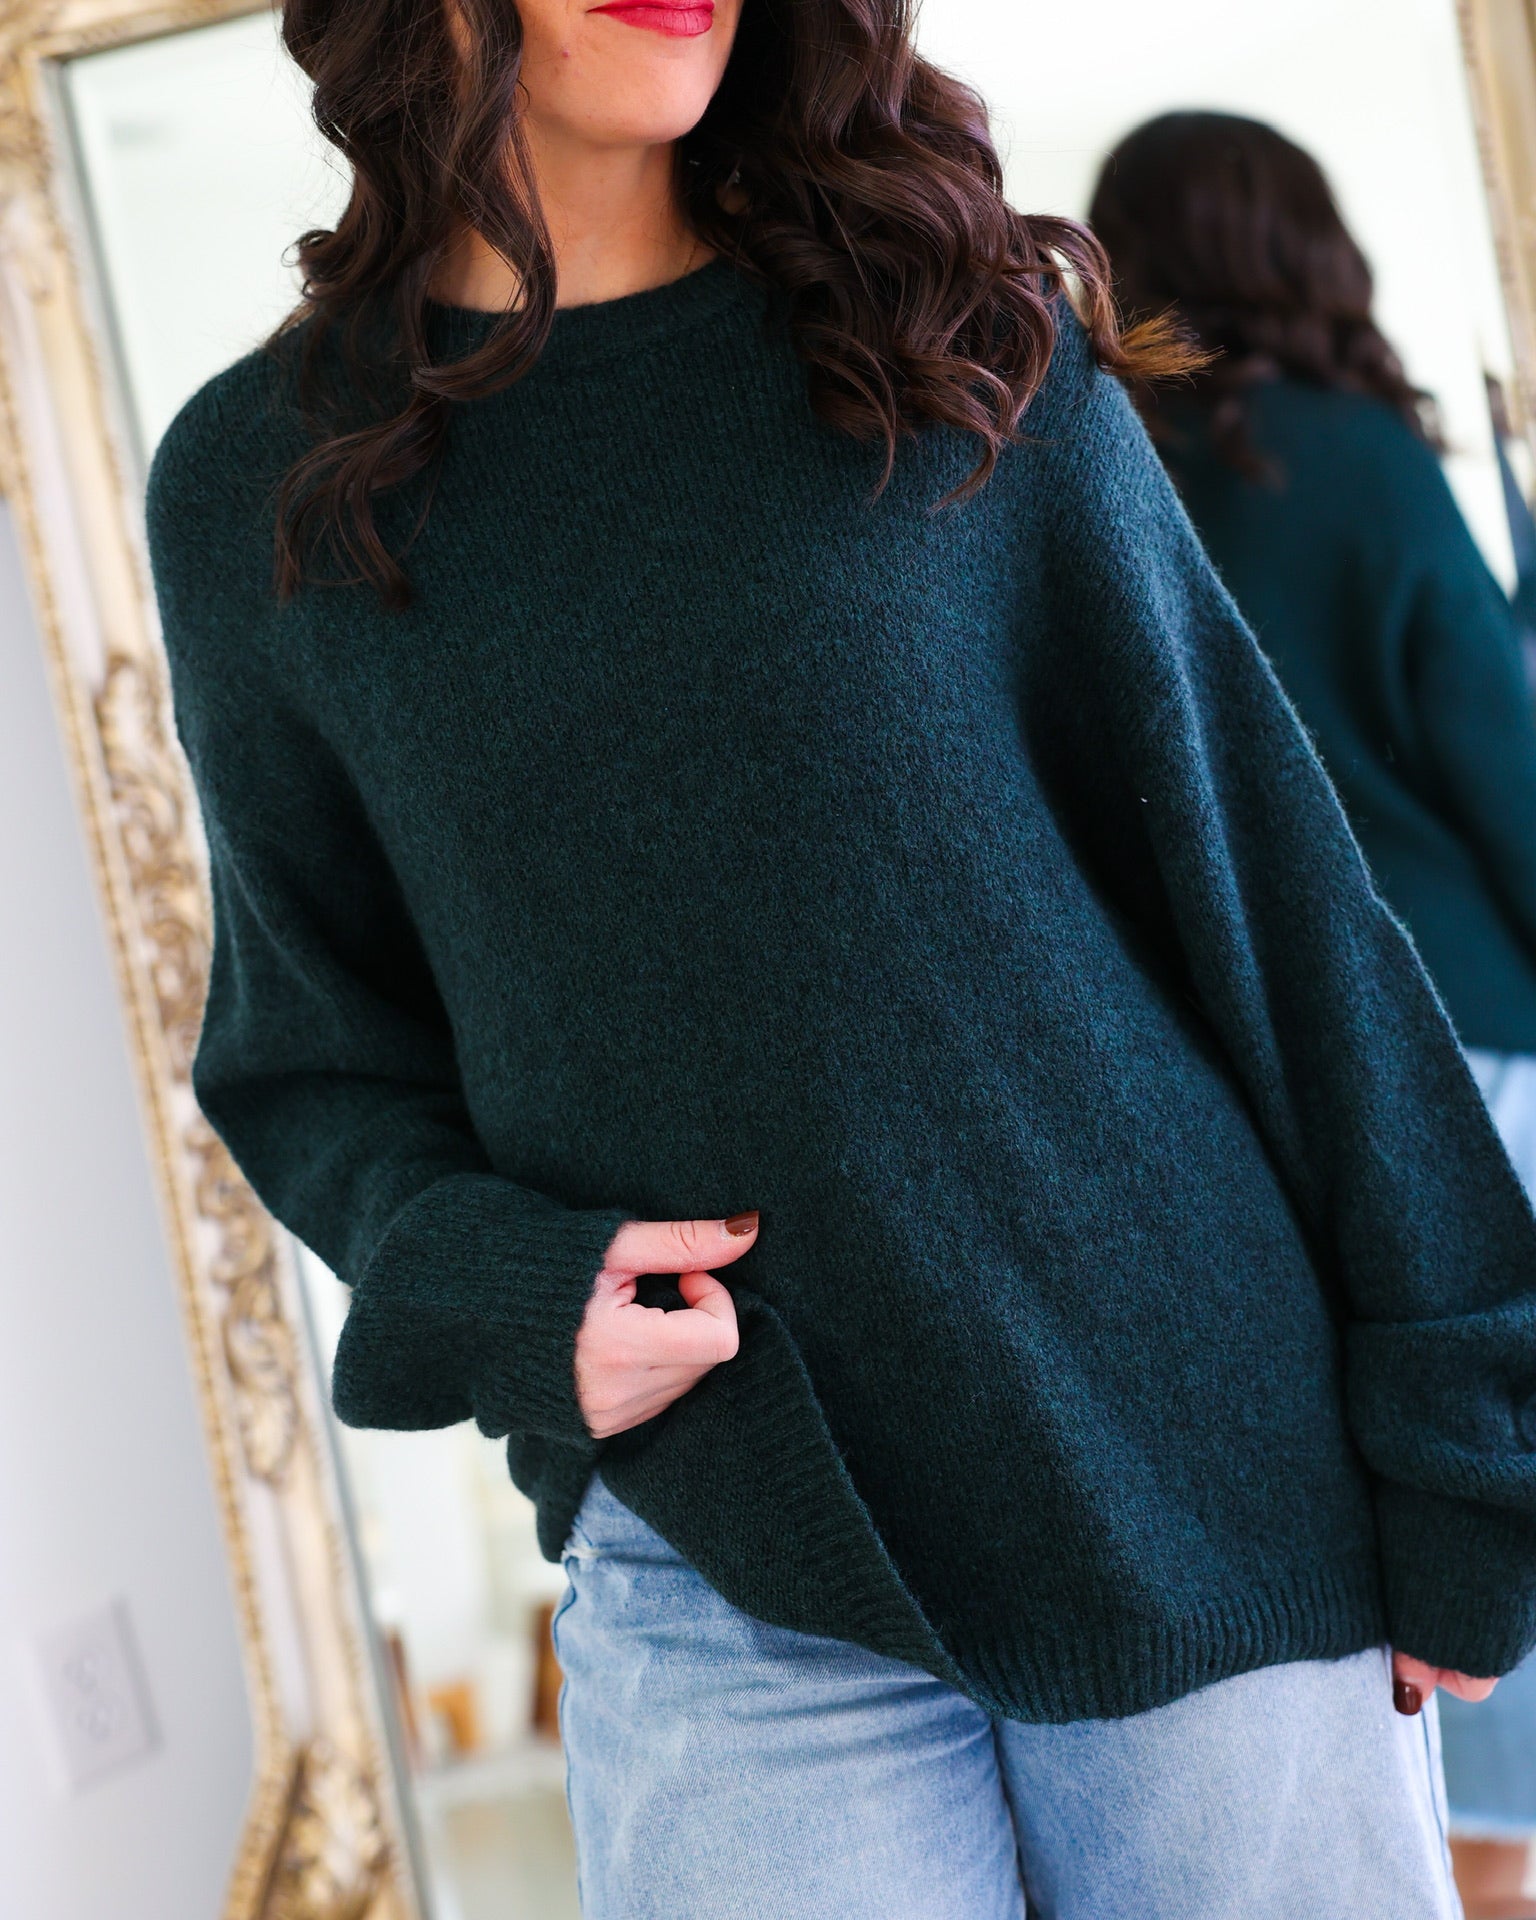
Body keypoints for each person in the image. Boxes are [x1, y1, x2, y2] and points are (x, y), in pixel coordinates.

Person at [143, 7, 1536, 1913]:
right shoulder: (266, 484)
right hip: (728, 1530)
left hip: (1191, 1467)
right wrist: (503, 1290)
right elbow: (309, 1051)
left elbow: (1278, 903)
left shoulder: (961, 335)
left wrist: (1469, 1440)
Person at [1090, 108, 1536, 1916]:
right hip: (1463, 1037)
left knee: (1397, 1493)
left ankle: (1459, 1857)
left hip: (1249, 1094)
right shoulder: (1357, 457)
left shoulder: (1101, 471)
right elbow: (1498, 761)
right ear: (1304, 245)